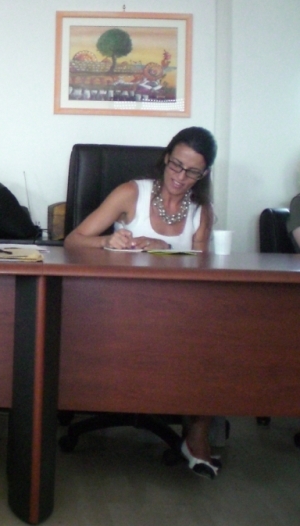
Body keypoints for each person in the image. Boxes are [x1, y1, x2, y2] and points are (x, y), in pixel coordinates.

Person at [64, 126, 221, 479]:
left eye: (192, 172)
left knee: (217, 336)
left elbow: (204, 267)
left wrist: (168, 248)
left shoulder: (202, 211)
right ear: (166, 158)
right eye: (176, 165)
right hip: (119, 308)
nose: (180, 177)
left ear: (204, 174)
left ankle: (196, 431)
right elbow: (74, 240)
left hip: (176, 312)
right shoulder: (132, 192)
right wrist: (108, 242)